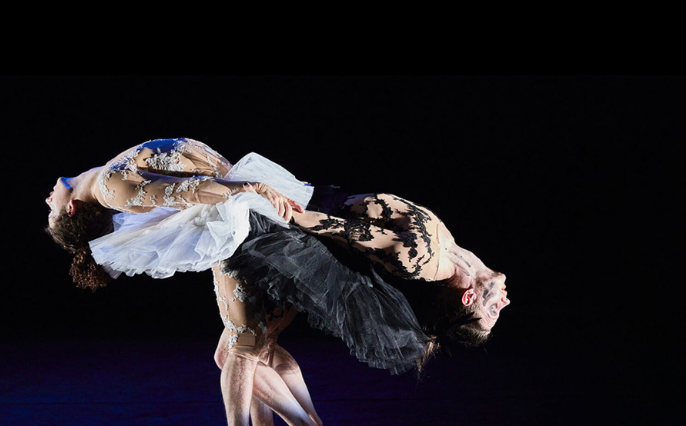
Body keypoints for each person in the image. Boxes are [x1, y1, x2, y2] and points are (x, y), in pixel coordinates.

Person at [45, 138, 509, 426]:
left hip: (265, 223)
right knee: (247, 348)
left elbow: (336, 229)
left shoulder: (108, 184)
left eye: (492, 308)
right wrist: (257, 194)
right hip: (255, 217)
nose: (504, 300)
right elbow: (193, 189)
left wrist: (261, 198)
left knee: (239, 350)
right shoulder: (109, 185)